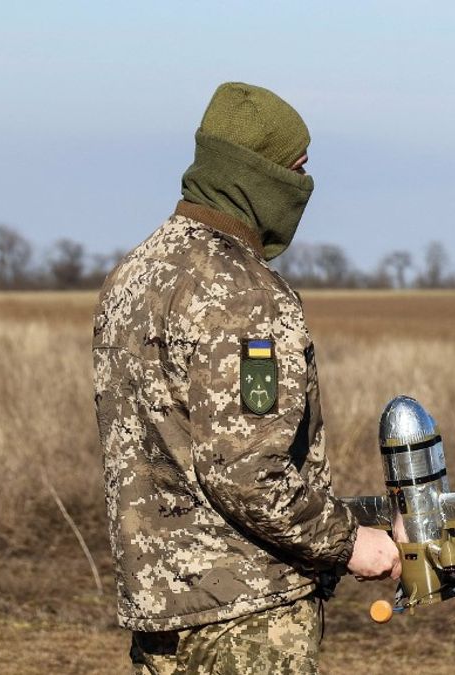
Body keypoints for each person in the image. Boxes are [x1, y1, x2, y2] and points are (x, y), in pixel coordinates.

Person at [93, 82, 402, 674]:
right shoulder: (246, 295)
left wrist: (370, 516)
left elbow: (184, 458)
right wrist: (350, 542)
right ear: (258, 174)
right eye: (298, 170)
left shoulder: (133, 276)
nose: (305, 189)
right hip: (247, 619)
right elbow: (247, 474)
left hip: (161, 614)